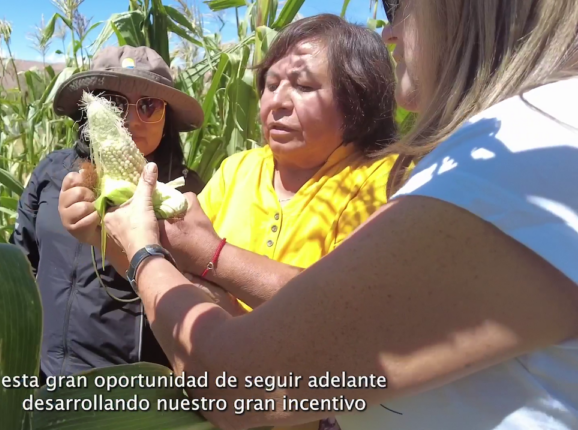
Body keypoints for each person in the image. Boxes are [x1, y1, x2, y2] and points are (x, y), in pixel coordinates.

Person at [98, 0, 578, 429]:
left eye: (400, 6)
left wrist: (146, 254)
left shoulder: (525, 156)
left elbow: (239, 382)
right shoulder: (238, 169)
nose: (391, 34)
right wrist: (130, 248)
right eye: (269, 84)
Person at [60, 14, 401, 430]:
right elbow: (163, 273)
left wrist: (213, 257)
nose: (278, 101)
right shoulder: (238, 170)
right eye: (271, 85)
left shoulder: (384, 184)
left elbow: (348, 319)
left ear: (359, 101)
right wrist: (104, 238)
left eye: (304, 86)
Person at [9, 45, 206, 379]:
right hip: (40, 373)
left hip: (124, 391)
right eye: (112, 104)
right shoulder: (52, 172)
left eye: (148, 106)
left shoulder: (186, 195)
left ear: (167, 119)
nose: (128, 120)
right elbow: (20, 258)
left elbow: (196, 298)